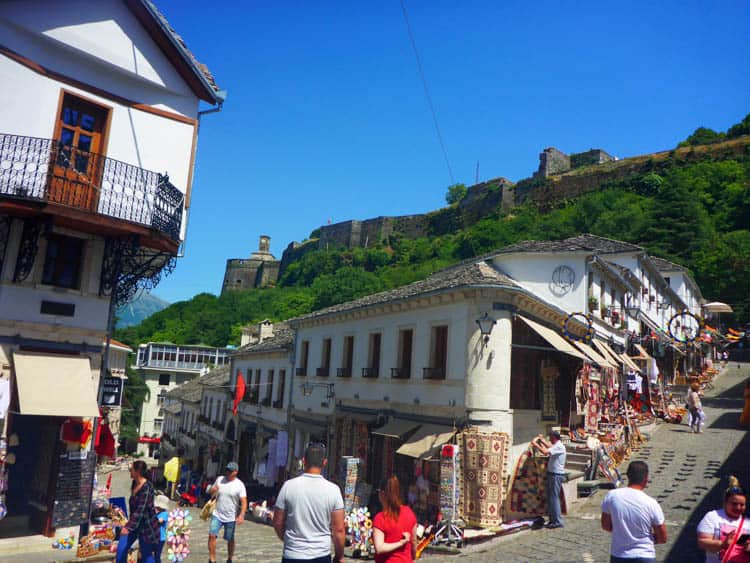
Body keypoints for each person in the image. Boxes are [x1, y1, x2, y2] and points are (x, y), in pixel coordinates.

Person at [273, 443, 345, 563]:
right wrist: (339, 556)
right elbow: (339, 529)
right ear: (324, 463)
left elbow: (277, 522)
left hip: (293, 554)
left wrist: (288, 540)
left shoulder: (288, 486)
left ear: (304, 461)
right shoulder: (333, 490)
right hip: (321, 554)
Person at [601, 461, 667, 563]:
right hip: (645, 556)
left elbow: (605, 525)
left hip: (619, 555)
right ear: (646, 479)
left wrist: (621, 533)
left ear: (628, 476)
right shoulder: (652, 503)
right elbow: (662, 537)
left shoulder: (612, 496)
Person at [116, 460, 161, 563]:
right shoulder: (134, 483)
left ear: (137, 472)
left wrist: (128, 527)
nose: (129, 472)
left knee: (146, 556)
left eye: (131, 470)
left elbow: (141, 509)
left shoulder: (147, 487)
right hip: (134, 524)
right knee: (121, 551)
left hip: (146, 527)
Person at [697, 476, 750, 563]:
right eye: (734, 503)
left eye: (742, 504)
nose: (738, 507)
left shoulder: (747, 523)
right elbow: (701, 542)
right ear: (725, 503)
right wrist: (722, 544)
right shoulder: (713, 517)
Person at [208, 461, 247, 563]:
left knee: (229, 538)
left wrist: (242, 514)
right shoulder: (220, 479)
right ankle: (212, 559)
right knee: (212, 535)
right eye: (227, 470)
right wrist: (213, 490)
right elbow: (210, 492)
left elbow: (244, 501)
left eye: (230, 471)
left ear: (235, 472)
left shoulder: (240, 485)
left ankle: (229, 558)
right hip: (217, 513)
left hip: (230, 516)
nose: (227, 472)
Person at [372, 475, 417, 562]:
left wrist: (400, 543)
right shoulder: (409, 512)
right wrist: (412, 556)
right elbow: (414, 541)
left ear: (382, 493)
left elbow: (379, 548)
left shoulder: (380, 518)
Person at [531, 431, 567, 528]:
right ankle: (553, 520)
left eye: (550, 437)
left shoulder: (559, 446)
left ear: (554, 438)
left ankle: (557, 521)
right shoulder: (557, 445)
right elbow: (549, 446)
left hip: (556, 475)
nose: (550, 440)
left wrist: (535, 444)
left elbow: (546, 451)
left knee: (554, 498)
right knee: (552, 498)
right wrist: (542, 440)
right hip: (553, 474)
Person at [154, 494, 170, 563]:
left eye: (157, 507)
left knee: (157, 556)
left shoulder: (164, 514)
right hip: (153, 537)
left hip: (160, 538)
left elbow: (160, 521)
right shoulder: (156, 514)